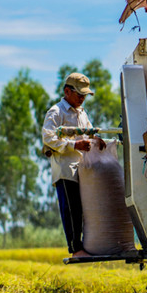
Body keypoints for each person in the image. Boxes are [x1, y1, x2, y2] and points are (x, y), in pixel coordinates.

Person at [42, 72, 105, 258]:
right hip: (65, 170)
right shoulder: (56, 112)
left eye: (84, 95)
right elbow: (48, 137)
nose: (82, 99)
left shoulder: (82, 113)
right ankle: (75, 249)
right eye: (79, 95)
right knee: (72, 211)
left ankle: (87, 245)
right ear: (67, 91)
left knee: (85, 209)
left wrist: (96, 138)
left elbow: (88, 132)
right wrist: (73, 144)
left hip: (82, 169)